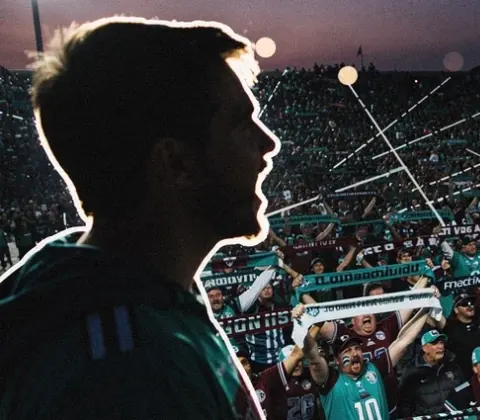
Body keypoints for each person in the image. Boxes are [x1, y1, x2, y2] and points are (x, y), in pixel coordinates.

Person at [0, 16, 278, 420]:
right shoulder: (130, 379)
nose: (269, 144)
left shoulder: (99, 282)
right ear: (176, 162)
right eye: (240, 122)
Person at [297, 305, 431, 420]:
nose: (354, 353)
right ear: (337, 360)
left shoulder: (373, 368)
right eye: (347, 351)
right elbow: (313, 356)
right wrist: (303, 323)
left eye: (357, 348)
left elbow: (404, 340)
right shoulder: (330, 380)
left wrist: (426, 308)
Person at [255, 326, 321, 420]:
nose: (297, 365)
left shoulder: (310, 374)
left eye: (299, 361)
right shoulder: (274, 381)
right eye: (293, 363)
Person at [397, 330, 465, 417]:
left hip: (455, 416)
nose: (440, 346)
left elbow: (465, 391)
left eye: (441, 343)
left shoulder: (452, 364)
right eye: (434, 343)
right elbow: (404, 405)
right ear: (424, 348)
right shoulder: (411, 372)